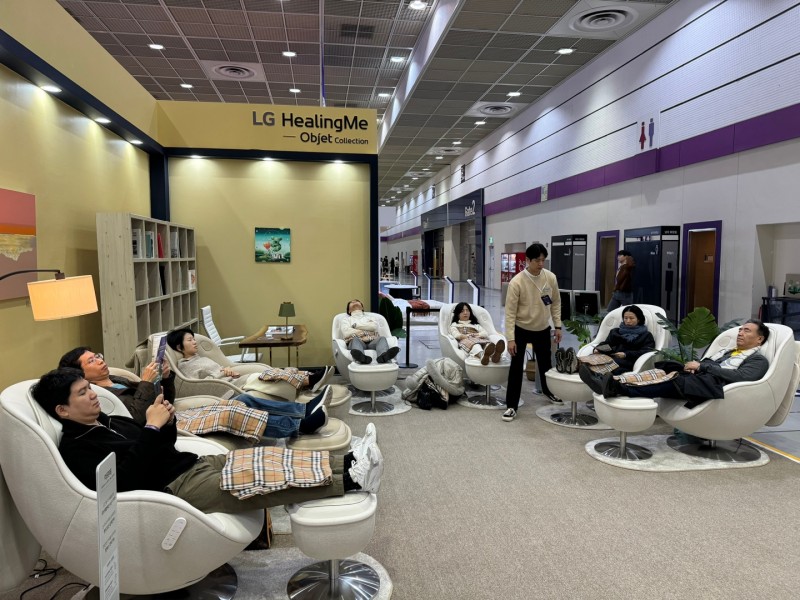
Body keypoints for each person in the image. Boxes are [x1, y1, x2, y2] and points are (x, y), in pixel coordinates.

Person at [31, 369, 383, 514]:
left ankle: (348, 461)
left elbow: (162, 445)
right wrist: (151, 428)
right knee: (261, 479)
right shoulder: (76, 448)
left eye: (89, 388)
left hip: (187, 464)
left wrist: (166, 421)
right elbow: (123, 482)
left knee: (268, 458)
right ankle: (353, 480)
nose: (93, 395)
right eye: (83, 393)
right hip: (172, 489)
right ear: (62, 409)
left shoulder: (110, 420)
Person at [60, 346, 331, 440]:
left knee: (244, 399)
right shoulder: (98, 396)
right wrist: (145, 383)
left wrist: (166, 378)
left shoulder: (118, 379)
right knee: (232, 410)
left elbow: (167, 398)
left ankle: (302, 410)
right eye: (91, 361)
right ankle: (297, 428)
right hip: (163, 427)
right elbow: (135, 419)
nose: (100, 360)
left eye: (98, 355)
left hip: (169, 413)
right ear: (80, 374)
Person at [579, 319, 770, 408]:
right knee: (665, 368)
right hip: (701, 378)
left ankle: (617, 388)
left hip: (713, 387)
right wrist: (696, 366)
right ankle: (612, 381)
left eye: (746, 331)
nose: (740, 333)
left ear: (759, 339)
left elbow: (740, 377)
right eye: (740, 330)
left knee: (672, 380)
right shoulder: (729, 352)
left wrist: (702, 366)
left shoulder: (758, 360)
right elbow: (707, 364)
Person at [503, 243, 563, 421]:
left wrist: (557, 326)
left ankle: (548, 391)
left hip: (542, 328)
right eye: (537, 260)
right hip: (521, 328)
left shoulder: (550, 277)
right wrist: (510, 338)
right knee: (516, 368)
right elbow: (510, 313)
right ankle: (511, 405)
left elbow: (556, 303)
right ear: (527, 260)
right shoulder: (517, 282)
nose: (541, 264)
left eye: (543, 260)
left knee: (545, 364)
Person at [591, 305, 655, 374]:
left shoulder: (646, 335)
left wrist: (626, 354)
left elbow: (645, 351)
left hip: (629, 361)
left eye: (631, 318)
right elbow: (607, 344)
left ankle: (600, 376)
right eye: (625, 318)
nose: (628, 321)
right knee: (592, 360)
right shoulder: (615, 332)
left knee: (612, 367)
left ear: (639, 319)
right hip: (611, 357)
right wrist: (598, 349)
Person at [341, 299, 400, 364]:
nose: (355, 302)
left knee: (381, 338)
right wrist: (366, 328)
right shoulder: (346, 320)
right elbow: (346, 333)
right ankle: (361, 358)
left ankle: (383, 357)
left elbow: (373, 327)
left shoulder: (371, 317)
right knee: (355, 339)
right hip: (356, 341)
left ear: (362, 308)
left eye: (357, 301)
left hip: (372, 341)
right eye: (352, 302)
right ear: (349, 311)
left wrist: (355, 326)